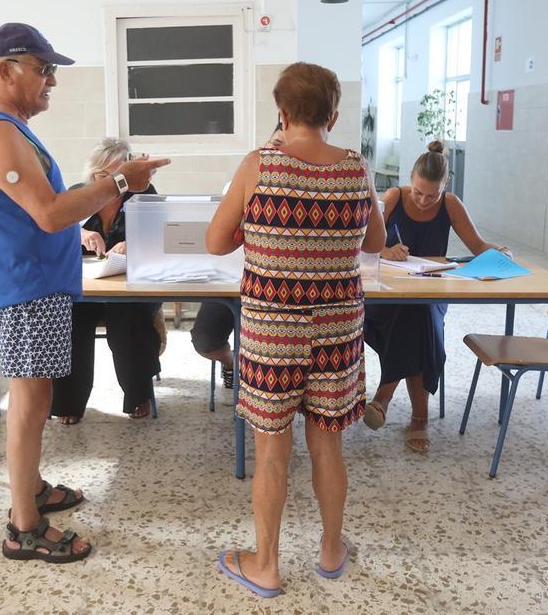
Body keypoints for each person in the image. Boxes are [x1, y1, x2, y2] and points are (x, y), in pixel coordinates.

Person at [0, 23, 167, 563]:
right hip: (25, 287)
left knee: (41, 394)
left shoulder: (8, 129)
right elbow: (50, 214)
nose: (52, 80)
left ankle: (33, 489)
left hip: (36, 285)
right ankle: (23, 527)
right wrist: (121, 182)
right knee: (29, 401)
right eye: (42, 69)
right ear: (6, 71)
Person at [206, 62, 385, 596]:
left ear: (281, 114)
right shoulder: (356, 169)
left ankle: (266, 564)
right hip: (336, 327)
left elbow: (217, 242)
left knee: (271, 449)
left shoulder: (258, 166)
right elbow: (373, 242)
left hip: (271, 331)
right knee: (328, 445)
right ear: (334, 114)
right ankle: (331, 550)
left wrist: (255, 225)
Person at [362, 140, 509, 452]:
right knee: (418, 319)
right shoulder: (393, 197)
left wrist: (502, 253)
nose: (424, 200)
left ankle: (384, 398)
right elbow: (364, 245)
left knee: (420, 315)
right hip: (387, 297)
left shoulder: (452, 205)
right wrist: (387, 249)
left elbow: (478, 247)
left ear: (446, 186)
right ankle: (419, 418)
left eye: (433, 195)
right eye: (418, 192)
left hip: (430, 293)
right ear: (410, 179)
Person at [51, 138, 162, 423]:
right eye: (104, 176)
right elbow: (53, 228)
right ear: (93, 176)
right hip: (86, 286)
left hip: (131, 288)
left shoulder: (144, 193)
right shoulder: (80, 195)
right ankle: (68, 402)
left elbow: (160, 238)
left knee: (127, 319)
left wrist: (131, 243)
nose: (112, 181)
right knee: (70, 317)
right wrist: (78, 234)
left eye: (119, 174)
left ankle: (138, 395)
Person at [190, 123, 285, 391]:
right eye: (274, 145)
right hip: (229, 279)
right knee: (205, 339)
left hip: (271, 292)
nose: (276, 154)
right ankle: (231, 362)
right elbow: (217, 242)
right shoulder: (244, 179)